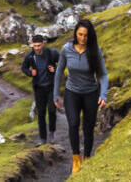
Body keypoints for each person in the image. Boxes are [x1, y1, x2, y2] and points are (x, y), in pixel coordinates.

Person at [54, 19, 108, 175]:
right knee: (73, 123)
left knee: (88, 128)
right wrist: (56, 94)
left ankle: (86, 158)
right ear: (75, 33)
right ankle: (76, 159)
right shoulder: (66, 49)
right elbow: (59, 72)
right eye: (80, 34)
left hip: (91, 93)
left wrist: (103, 94)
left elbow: (103, 75)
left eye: (86, 35)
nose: (83, 38)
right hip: (72, 93)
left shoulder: (94, 50)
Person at [20, 34, 60, 145]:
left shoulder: (51, 53)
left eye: (39, 45)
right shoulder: (30, 56)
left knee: (52, 110)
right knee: (41, 113)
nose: (37, 48)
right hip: (39, 89)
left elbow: (63, 61)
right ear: (32, 45)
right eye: (35, 46)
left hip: (51, 87)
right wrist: (30, 73)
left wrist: (55, 69)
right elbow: (23, 67)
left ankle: (52, 134)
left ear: (43, 43)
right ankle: (43, 139)